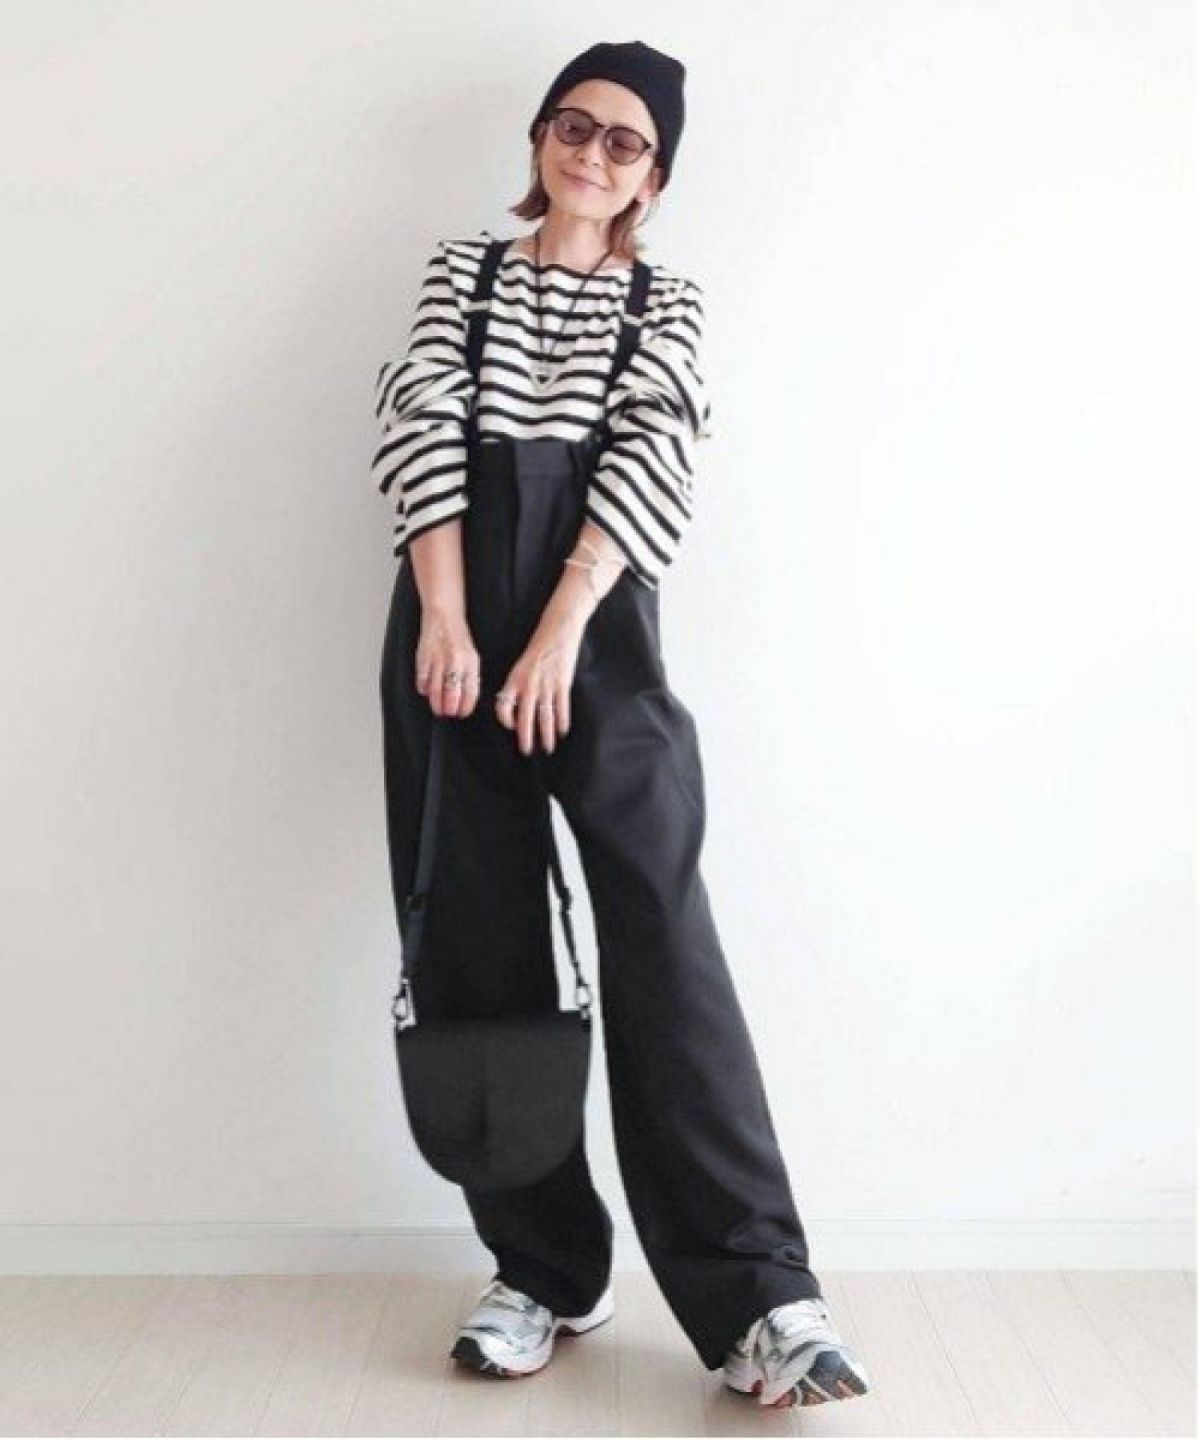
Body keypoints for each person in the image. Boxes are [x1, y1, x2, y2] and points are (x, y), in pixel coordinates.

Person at [371, 39, 871, 1410]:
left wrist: (554, 637)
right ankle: (543, 1269)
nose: (592, 153)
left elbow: (654, 454)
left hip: (595, 625)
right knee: (477, 938)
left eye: (625, 141)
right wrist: (448, 620)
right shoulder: (461, 273)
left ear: (656, 176)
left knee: (662, 935)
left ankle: (761, 1297)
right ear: (540, 139)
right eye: (573, 125)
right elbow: (420, 425)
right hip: (451, 624)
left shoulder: (667, 301)